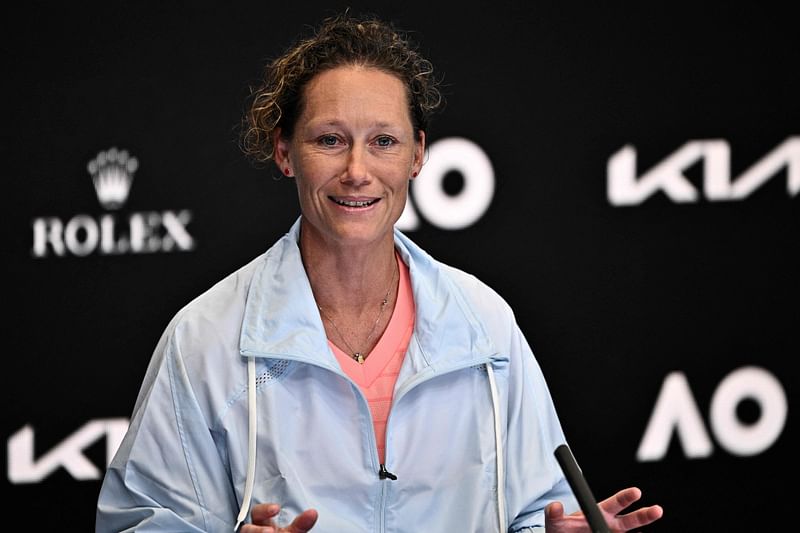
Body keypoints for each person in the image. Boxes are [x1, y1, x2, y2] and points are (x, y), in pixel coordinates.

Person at [96, 11, 663, 533]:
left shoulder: (485, 325)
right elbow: (138, 523)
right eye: (330, 140)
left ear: (417, 155)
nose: (357, 171)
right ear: (285, 151)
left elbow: (537, 510)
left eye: (383, 142)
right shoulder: (205, 339)